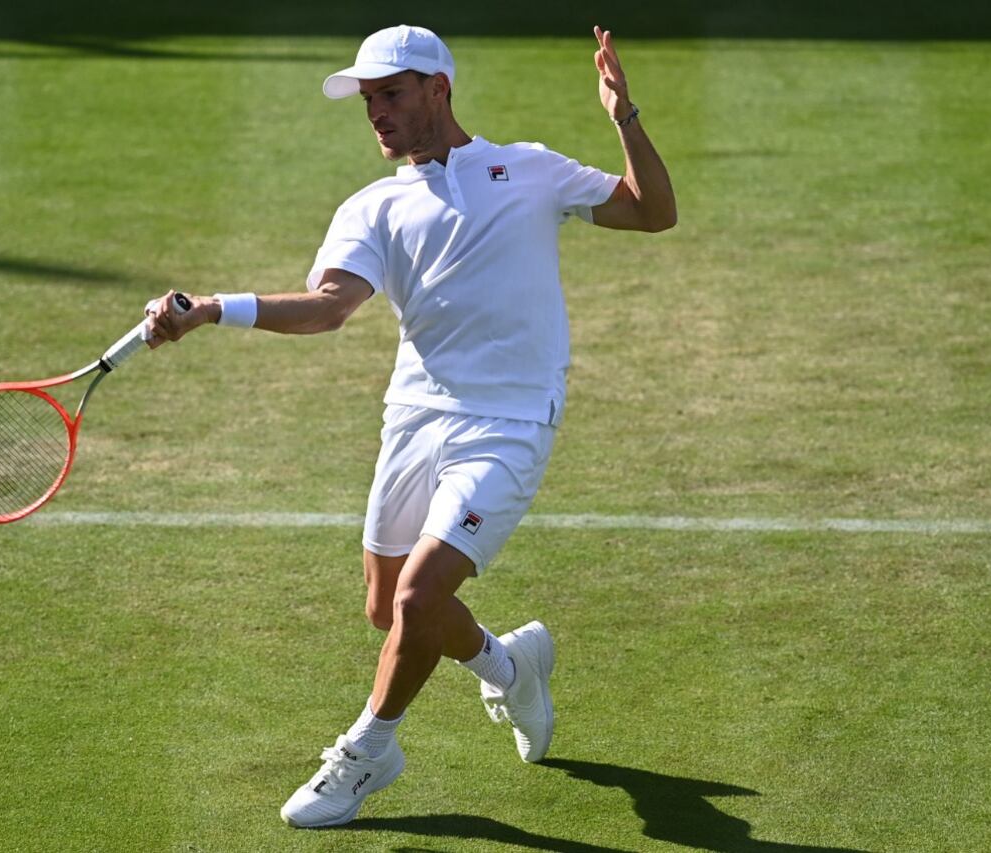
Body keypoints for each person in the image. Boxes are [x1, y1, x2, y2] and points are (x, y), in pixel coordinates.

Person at [145, 23, 676, 829]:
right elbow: (327, 310)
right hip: (416, 416)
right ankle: (510, 666)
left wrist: (623, 117)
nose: (376, 114)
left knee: (423, 594)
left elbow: (653, 214)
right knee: (389, 606)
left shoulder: (529, 170)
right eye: (367, 101)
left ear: (439, 89)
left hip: (508, 422)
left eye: (389, 94)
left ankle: (370, 748)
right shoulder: (374, 205)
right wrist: (214, 310)